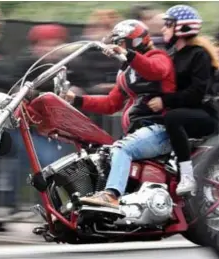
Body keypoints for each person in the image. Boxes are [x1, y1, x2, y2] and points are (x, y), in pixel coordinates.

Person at [61, 19, 176, 208]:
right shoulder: (126, 73)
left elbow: (156, 71)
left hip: (161, 129)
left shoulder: (159, 57)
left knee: (121, 149)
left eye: (121, 42)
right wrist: (76, 99)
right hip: (140, 132)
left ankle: (112, 195)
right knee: (102, 155)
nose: (116, 47)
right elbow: (111, 103)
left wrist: (127, 55)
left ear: (135, 42)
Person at [147, 5, 219, 195]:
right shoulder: (171, 55)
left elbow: (196, 93)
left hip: (203, 114)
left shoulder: (199, 55)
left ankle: (187, 176)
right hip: (181, 110)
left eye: (168, 24)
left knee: (173, 117)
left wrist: (165, 101)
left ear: (182, 28)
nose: (163, 29)